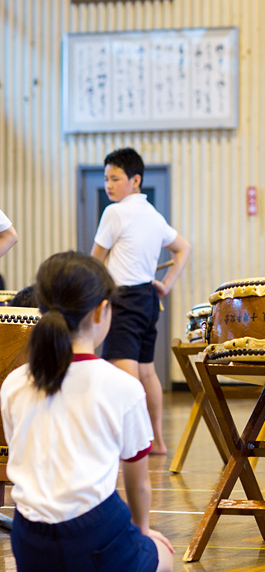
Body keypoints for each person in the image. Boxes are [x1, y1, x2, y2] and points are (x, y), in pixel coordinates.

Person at [0, 251, 174, 572]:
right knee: (164, 554)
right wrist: (143, 531)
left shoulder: (13, 383)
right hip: (95, 535)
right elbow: (138, 483)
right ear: (101, 311)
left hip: (28, 537)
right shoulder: (122, 386)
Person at [92, 148, 192, 455]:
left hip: (122, 300)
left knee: (125, 373)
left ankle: (133, 444)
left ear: (135, 180)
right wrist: (166, 285)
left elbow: (94, 262)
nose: (109, 185)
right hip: (147, 299)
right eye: (106, 179)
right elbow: (184, 248)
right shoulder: (154, 215)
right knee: (146, 371)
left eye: (115, 178)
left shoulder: (115, 213)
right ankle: (156, 441)